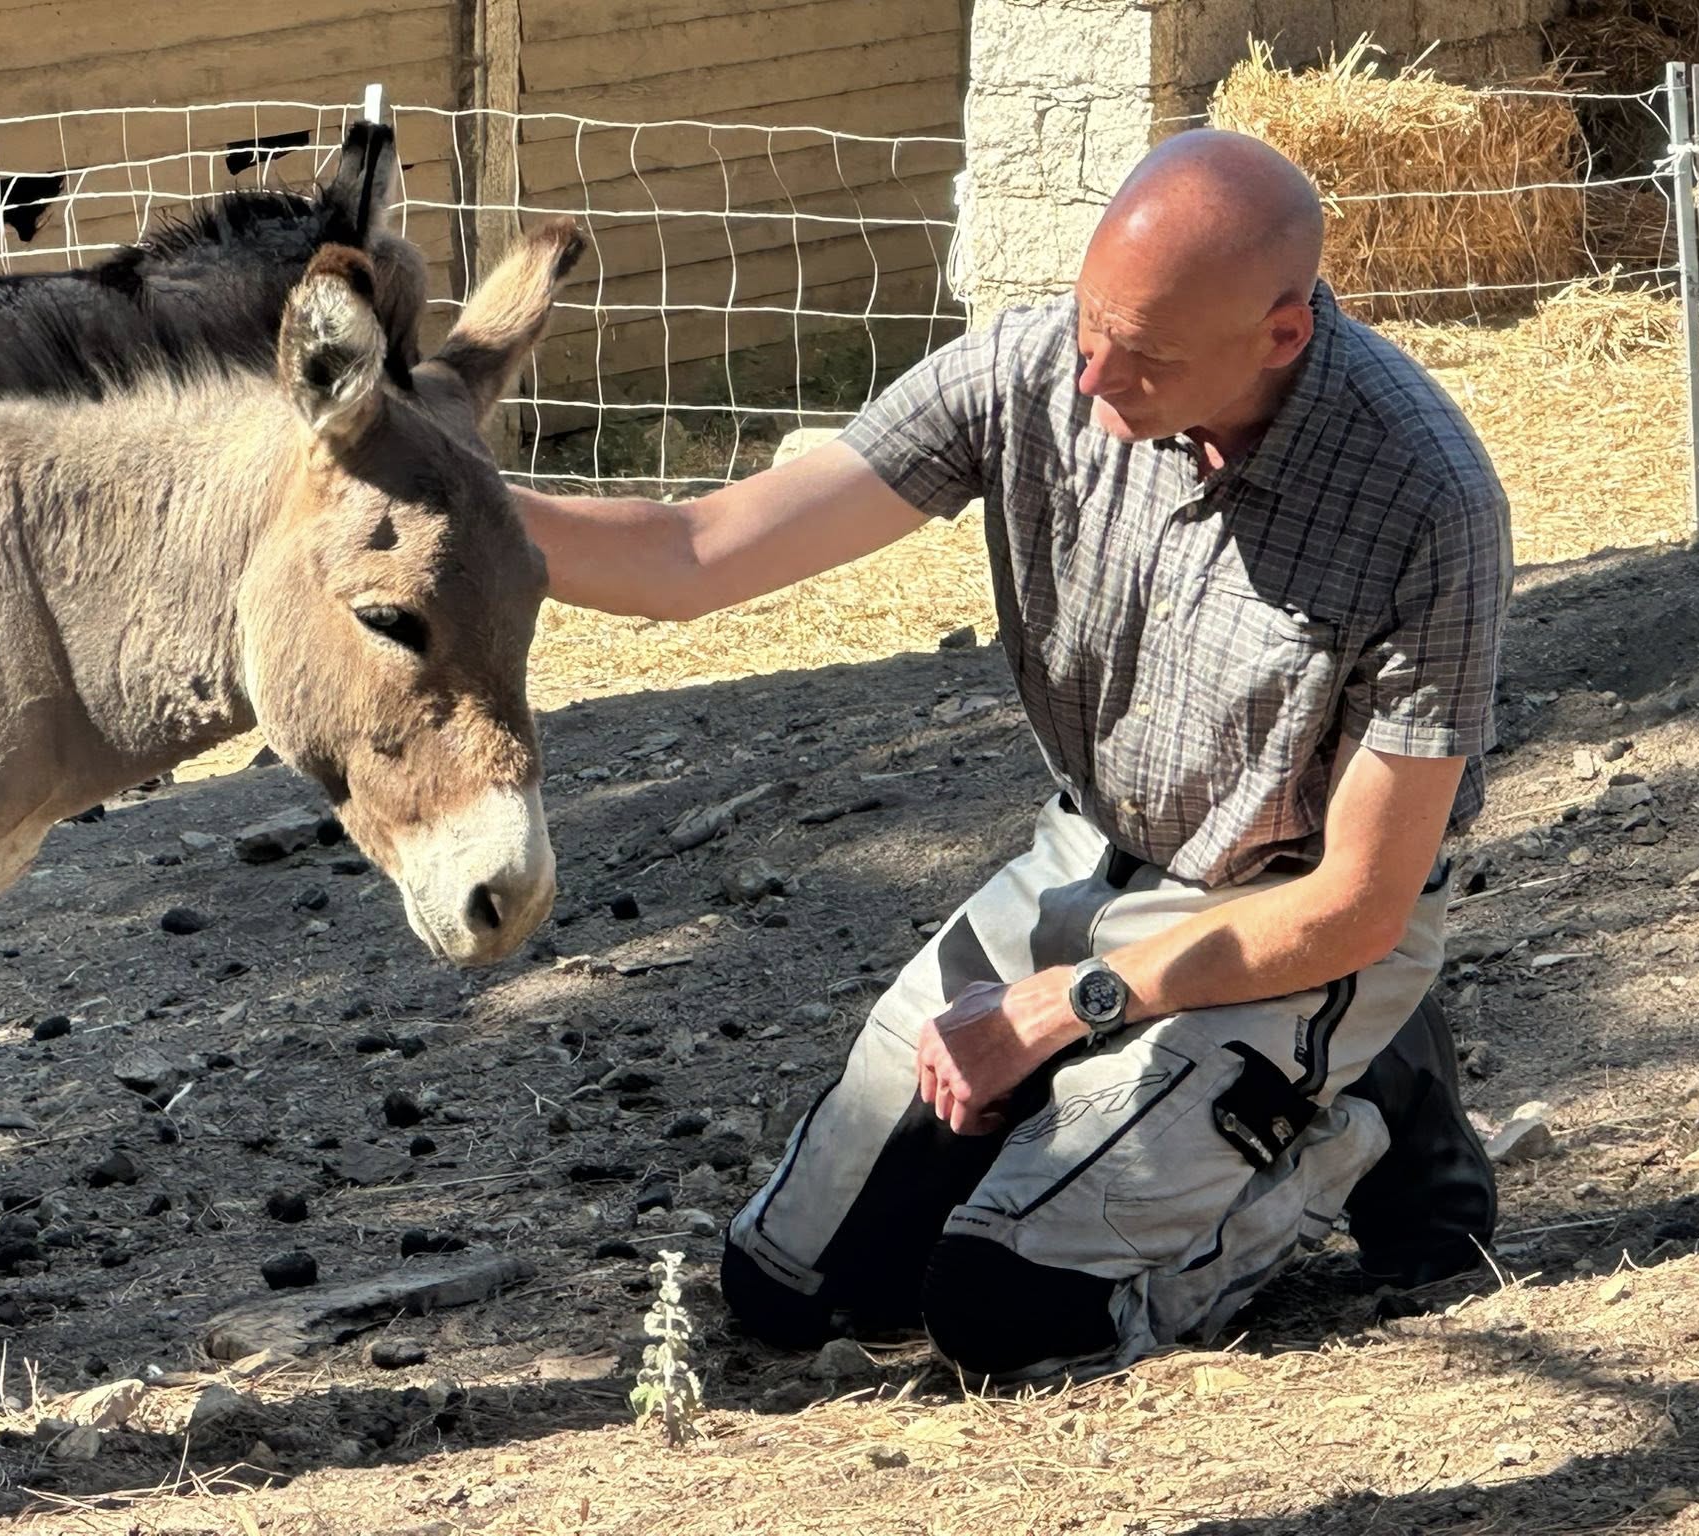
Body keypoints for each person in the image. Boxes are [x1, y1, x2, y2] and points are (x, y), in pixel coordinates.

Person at [514, 127, 1511, 1382]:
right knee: (786, 1290)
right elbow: (692, 553)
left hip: (1292, 916)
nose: (1091, 381)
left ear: (1281, 335)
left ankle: (1354, 1113)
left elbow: (1361, 895)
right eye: (1091, 322)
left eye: (1142, 356)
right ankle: (1121, 1114)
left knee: (1004, 1312)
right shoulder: (1035, 367)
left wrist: (1062, 1009)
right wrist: (440, 498)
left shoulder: (1426, 499)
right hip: (1089, 862)